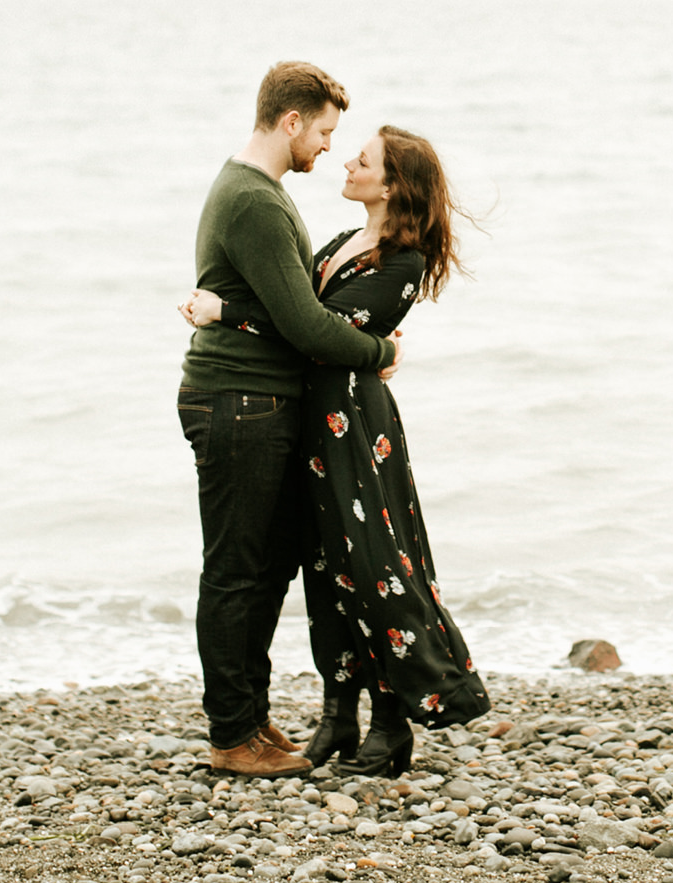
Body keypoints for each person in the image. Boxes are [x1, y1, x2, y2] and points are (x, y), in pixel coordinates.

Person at [187, 123, 490, 778]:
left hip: (353, 429)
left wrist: (226, 315)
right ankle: (337, 714)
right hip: (316, 426)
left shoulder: (402, 263)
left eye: (365, 158)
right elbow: (295, 307)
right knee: (326, 573)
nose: (347, 160)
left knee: (374, 569)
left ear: (392, 185)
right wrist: (230, 305)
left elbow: (315, 335)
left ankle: (391, 723)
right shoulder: (346, 241)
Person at [176, 62, 403, 779]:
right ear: (291, 121)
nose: (330, 148)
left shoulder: (254, 190)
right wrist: (379, 348)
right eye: (326, 131)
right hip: (239, 401)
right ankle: (231, 732)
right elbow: (305, 323)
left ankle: (248, 717)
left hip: (252, 399)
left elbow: (281, 312)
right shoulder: (254, 200)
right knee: (237, 573)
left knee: (264, 570)